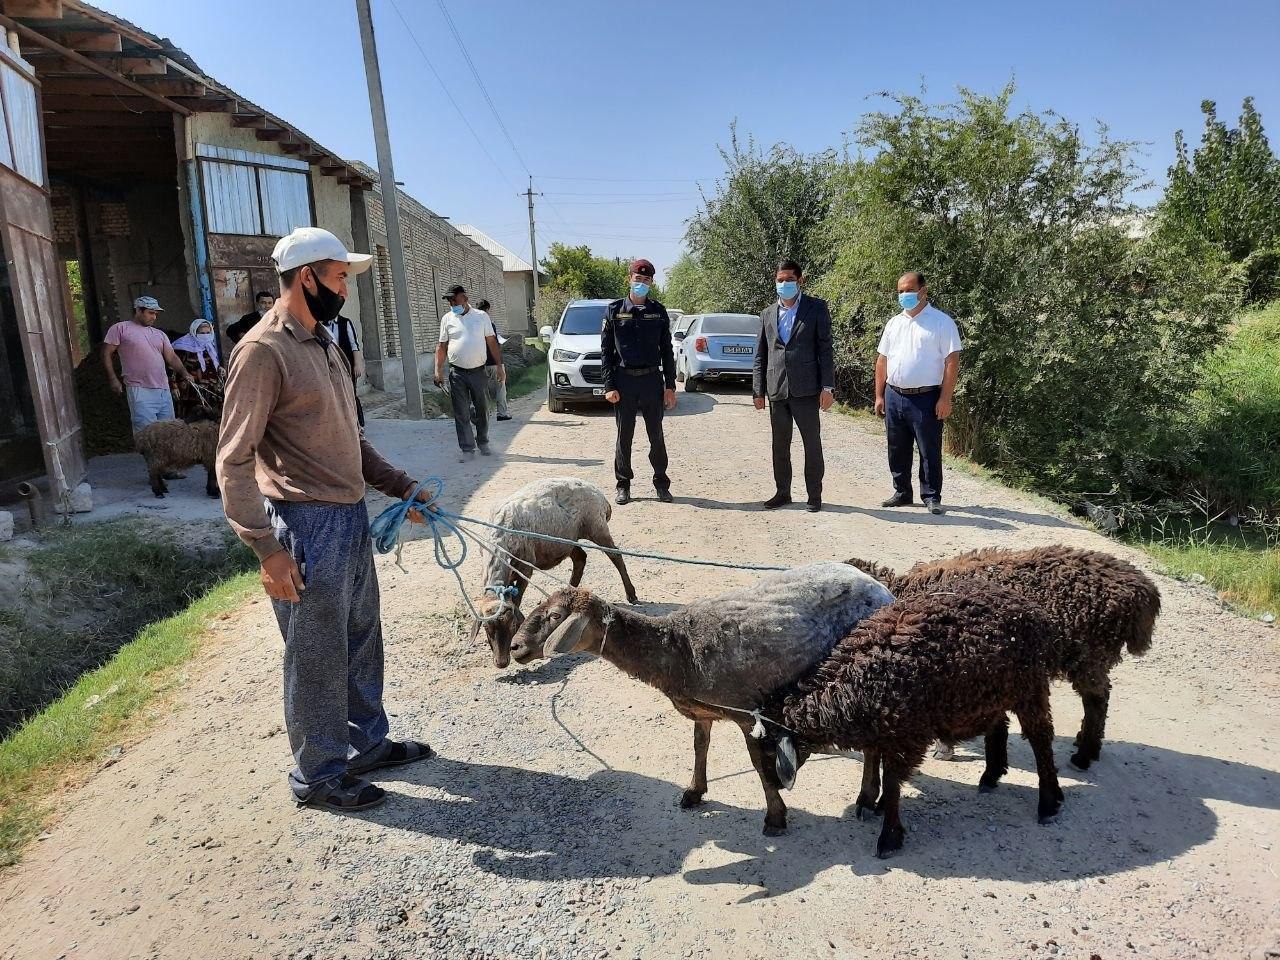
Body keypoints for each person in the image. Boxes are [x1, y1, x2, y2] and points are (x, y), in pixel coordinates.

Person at [216, 226, 436, 813]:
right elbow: (233, 458)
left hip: (348, 519)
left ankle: (364, 745)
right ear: (306, 277)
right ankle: (318, 775)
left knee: (362, 638)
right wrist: (266, 549)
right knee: (314, 655)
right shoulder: (263, 352)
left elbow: (351, 439)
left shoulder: (326, 343)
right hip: (304, 526)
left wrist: (402, 486)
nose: (346, 289)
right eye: (339, 277)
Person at [874, 271, 962, 516]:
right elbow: (882, 361)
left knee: (928, 449)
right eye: (900, 291)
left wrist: (945, 398)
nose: (904, 295)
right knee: (896, 447)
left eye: (909, 290)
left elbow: (951, 361)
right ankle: (902, 491)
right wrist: (879, 395)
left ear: (923, 290)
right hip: (894, 395)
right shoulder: (894, 323)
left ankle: (932, 496)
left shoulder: (941, 322)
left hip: (926, 397)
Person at [752, 259, 835, 513]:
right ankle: (782, 492)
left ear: (800, 281)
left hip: (807, 389)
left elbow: (825, 349)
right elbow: (760, 354)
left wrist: (828, 387)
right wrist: (758, 390)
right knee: (780, 445)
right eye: (780, 280)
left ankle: (814, 495)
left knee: (812, 444)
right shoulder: (767, 313)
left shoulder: (816, 308)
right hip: (777, 389)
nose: (784, 284)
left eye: (789, 279)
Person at [600, 258, 676, 506]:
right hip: (624, 381)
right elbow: (606, 352)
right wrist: (609, 385)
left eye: (646, 280)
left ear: (651, 282)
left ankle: (661, 483)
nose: (641, 283)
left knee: (656, 435)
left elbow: (667, 350)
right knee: (624, 436)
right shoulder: (614, 311)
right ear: (629, 279)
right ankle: (623, 485)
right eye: (637, 279)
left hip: (652, 380)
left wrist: (670, 385)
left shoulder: (658, 311)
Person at [103, 295, 194, 434]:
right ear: (138, 311)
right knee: (147, 433)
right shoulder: (121, 328)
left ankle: (166, 456)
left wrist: (185, 373)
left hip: (163, 389)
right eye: (150, 313)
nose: (154, 317)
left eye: (156, 314)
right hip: (139, 389)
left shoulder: (160, 334)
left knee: (169, 431)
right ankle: (151, 457)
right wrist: (113, 379)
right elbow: (106, 353)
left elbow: (171, 357)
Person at [434, 284, 505, 462]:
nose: (452, 304)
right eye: (450, 301)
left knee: (482, 409)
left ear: (465, 298)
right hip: (457, 373)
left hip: (478, 372)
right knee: (461, 412)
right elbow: (441, 346)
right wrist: (438, 370)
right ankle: (467, 449)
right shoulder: (447, 319)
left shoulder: (481, 317)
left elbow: (492, 342)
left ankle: (483, 441)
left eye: (454, 300)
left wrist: (499, 366)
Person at [171, 318, 224, 418]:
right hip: (190, 393)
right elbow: (173, 367)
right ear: (194, 332)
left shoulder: (210, 347)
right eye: (202, 333)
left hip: (210, 392)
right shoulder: (182, 346)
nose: (205, 335)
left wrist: (220, 369)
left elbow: (213, 365)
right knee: (190, 422)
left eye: (208, 332)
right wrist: (174, 386)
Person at [324, 313, 365, 427]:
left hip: (346, 364)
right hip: (329, 365)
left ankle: (358, 423)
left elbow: (354, 346)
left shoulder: (345, 323)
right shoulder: (321, 324)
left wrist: (357, 365)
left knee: (350, 393)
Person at [475, 299, 510, 421]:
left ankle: (484, 414)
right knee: (500, 386)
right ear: (487, 310)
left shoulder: (473, 326)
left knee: (482, 390)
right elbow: (493, 343)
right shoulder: (490, 324)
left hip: (480, 363)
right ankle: (502, 413)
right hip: (494, 362)